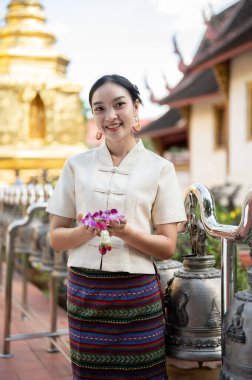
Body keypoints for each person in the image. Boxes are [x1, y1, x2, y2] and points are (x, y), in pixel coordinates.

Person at [46, 74, 186, 380]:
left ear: (135, 108)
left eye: (119, 104)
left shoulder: (160, 168)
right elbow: (56, 237)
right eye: (99, 108)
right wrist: (87, 231)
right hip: (86, 294)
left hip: (137, 295)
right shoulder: (75, 166)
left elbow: (167, 246)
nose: (110, 116)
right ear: (93, 116)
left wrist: (124, 232)